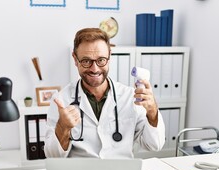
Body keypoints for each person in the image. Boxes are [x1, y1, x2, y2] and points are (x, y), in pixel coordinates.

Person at [45, 28, 165, 158]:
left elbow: (155, 145)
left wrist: (152, 111)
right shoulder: (61, 100)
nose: (95, 69)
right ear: (75, 59)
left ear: (109, 56)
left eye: (101, 60)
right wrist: (63, 127)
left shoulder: (130, 96)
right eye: (86, 61)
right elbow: (53, 156)